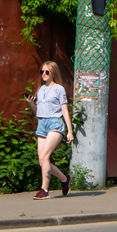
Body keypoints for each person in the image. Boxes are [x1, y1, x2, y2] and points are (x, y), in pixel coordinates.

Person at [23, 61, 73, 200]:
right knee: (42, 160)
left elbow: (64, 111)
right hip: (42, 124)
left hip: (55, 123)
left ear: (53, 73)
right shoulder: (41, 89)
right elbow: (38, 111)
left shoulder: (59, 89)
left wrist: (69, 131)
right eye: (42, 72)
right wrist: (31, 103)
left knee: (45, 157)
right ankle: (64, 179)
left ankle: (44, 190)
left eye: (47, 72)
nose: (43, 74)